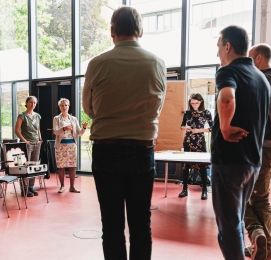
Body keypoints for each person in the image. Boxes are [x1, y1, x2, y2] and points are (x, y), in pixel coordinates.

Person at [82, 6, 166, 260]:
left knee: (112, 226)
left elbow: (89, 108)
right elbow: (157, 107)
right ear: (140, 30)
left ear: (112, 31)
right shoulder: (157, 63)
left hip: (106, 151)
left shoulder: (97, 63)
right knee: (142, 225)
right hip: (142, 150)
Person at [211, 25, 270, 260]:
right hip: (253, 163)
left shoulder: (228, 72)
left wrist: (224, 128)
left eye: (218, 47)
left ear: (227, 46)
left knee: (229, 228)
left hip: (230, 161)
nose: (218, 53)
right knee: (238, 217)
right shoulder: (262, 79)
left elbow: (226, 98)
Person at [244, 43, 271, 259]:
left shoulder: (261, 81)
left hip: (263, 146)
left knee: (249, 198)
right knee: (259, 198)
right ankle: (261, 243)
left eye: (250, 58)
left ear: (259, 58)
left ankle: (261, 239)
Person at [179, 93, 213, 200]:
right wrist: (187, 129)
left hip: (200, 140)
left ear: (201, 102)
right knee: (186, 166)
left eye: (196, 103)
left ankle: (204, 191)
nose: (194, 105)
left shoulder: (206, 112)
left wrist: (199, 130)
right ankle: (184, 189)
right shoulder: (187, 112)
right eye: (192, 103)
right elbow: (182, 126)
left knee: (202, 166)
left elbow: (212, 128)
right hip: (188, 140)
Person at [53, 98, 87, 193]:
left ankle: (72, 187)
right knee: (61, 167)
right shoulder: (56, 118)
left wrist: (84, 127)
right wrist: (64, 128)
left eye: (66, 105)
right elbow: (56, 132)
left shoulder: (73, 119)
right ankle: (62, 186)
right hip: (60, 146)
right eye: (62, 105)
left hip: (72, 145)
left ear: (69, 106)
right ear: (59, 107)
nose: (64, 107)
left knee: (72, 166)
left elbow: (79, 133)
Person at [15, 96, 43, 197]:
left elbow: (38, 129)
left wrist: (40, 139)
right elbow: (17, 130)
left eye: (35, 103)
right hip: (27, 144)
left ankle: (31, 187)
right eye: (31, 102)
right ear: (26, 103)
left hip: (36, 144)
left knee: (33, 166)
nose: (33, 104)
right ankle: (24, 189)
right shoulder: (22, 115)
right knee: (25, 167)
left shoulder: (37, 116)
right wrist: (25, 141)